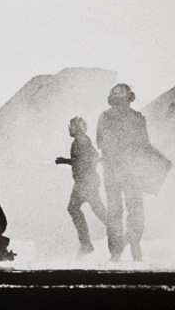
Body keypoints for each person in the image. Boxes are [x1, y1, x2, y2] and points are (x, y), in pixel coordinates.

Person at [96, 84, 151, 261]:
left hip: (119, 172)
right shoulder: (137, 118)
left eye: (121, 100)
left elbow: (100, 142)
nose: (120, 104)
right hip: (125, 172)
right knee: (128, 213)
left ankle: (119, 250)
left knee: (118, 213)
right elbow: (144, 145)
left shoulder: (105, 117)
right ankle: (126, 248)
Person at [56, 116, 108, 257]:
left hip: (85, 182)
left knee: (75, 208)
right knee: (96, 209)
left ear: (78, 127)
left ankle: (87, 243)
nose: (69, 128)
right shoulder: (84, 140)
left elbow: (84, 160)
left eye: (72, 126)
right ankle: (113, 230)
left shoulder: (80, 140)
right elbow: (92, 157)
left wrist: (65, 161)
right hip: (87, 181)